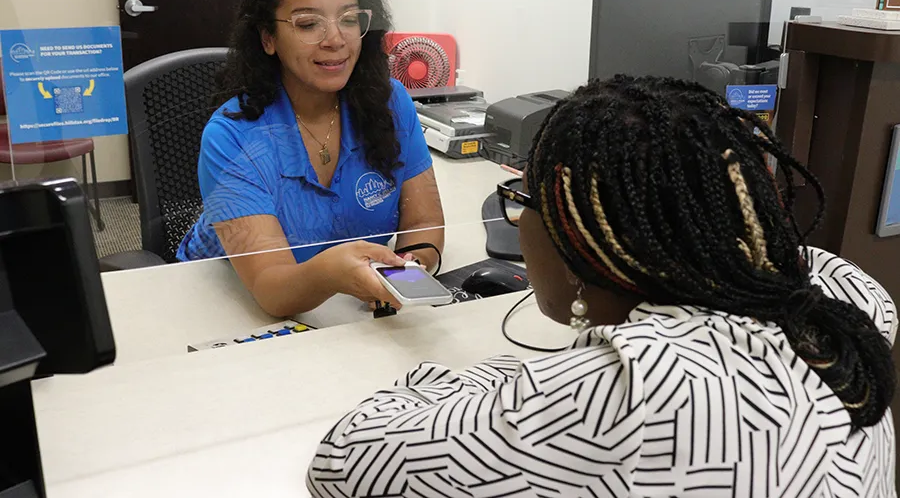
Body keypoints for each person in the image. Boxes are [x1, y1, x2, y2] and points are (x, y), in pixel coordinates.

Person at [306, 76, 897, 496]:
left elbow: (346, 458)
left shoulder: (625, 397)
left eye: (522, 201)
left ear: (575, 240)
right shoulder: (835, 301)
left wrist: (478, 379)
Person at [177, 0, 444, 317]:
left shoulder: (390, 102)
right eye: (308, 24)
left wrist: (407, 272)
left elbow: (426, 221)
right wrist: (334, 272)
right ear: (269, 37)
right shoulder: (232, 138)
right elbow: (273, 290)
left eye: (349, 19)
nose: (335, 39)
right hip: (226, 310)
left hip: (349, 312)